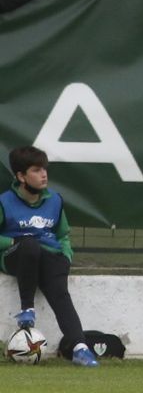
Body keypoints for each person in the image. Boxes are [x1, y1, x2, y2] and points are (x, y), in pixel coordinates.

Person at [1, 146, 98, 366]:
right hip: (15, 256)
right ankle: (27, 309)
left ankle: (79, 348)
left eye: (44, 169)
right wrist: (13, 241)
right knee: (29, 246)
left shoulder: (55, 200)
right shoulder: (4, 202)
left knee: (59, 293)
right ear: (21, 176)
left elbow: (63, 234)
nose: (43, 174)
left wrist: (66, 255)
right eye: (36, 170)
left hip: (48, 257)